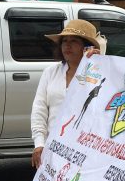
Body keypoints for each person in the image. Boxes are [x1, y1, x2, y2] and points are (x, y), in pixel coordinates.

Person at [30, 19, 102, 168]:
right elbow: (39, 110)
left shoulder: (98, 73)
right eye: (64, 41)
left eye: (74, 41)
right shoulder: (50, 72)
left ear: (86, 46)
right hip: (53, 147)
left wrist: (99, 62)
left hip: (85, 152)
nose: (67, 45)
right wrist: (39, 143)